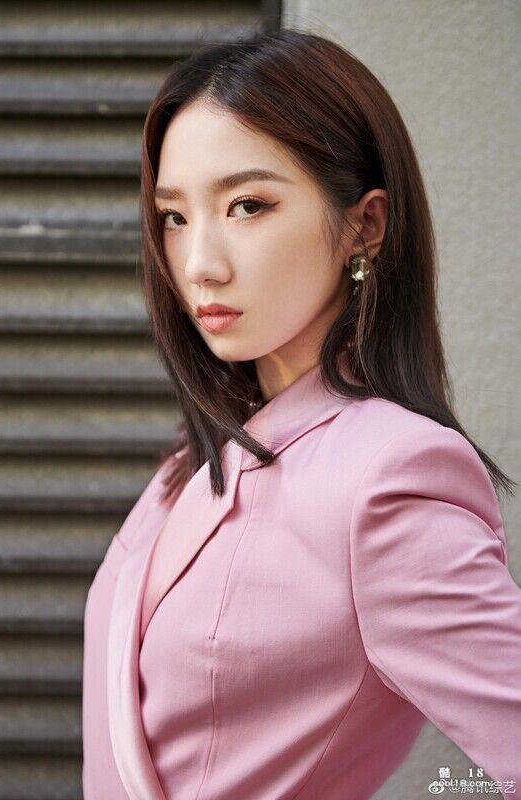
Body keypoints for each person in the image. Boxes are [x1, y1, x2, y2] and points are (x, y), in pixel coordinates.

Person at [82, 29, 521, 800]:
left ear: (364, 225)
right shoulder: (200, 452)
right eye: (174, 216)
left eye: (247, 206)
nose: (198, 264)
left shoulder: (390, 479)